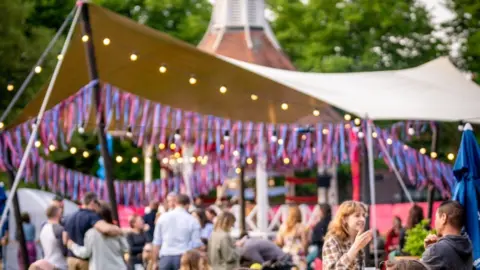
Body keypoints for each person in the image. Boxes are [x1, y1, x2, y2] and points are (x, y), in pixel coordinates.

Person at [64, 192, 122, 270]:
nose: (98, 207)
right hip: (86, 261)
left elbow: (64, 240)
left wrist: (71, 244)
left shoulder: (69, 217)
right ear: (92, 202)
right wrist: (120, 230)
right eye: (97, 203)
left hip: (71, 259)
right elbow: (106, 229)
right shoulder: (92, 216)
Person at [152, 194, 203, 270]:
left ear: (175, 203)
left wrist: (154, 262)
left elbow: (156, 243)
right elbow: (197, 244)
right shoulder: (192, 220)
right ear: (188, 205)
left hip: (165, 256)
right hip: (184, 257)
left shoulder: (163, 217)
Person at [421, 200, 473, 270]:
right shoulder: (468, 245)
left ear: (443, 217)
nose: (435, 222)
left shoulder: (435, 251)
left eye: (436, 218)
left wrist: (430, 251)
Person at [322, 200, 372, 270]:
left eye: (364, 215)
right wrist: (355, 247)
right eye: (357, 215)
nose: (362, 219)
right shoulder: (332, 241)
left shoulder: (356, 241)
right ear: (344, 219)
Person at [37, 205, 68, 270]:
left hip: (47, 263)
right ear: (58, 214)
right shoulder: (59, 229)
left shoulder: (43, 227)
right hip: (59, 265)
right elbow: (64, 251)